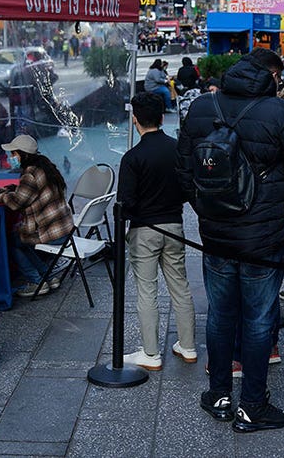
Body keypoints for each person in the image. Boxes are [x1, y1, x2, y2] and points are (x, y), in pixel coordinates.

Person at [176, 48, 284, 432]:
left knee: (220, 315)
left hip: (216, 234)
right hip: (263, 236)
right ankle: (253, 405)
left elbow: (184, 171)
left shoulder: (202, 107)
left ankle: (219, 395)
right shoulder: (278, 111)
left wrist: (208, 209)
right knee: (258, 319)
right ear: (269, 77)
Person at [119, 93, 196, 371]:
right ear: (162, 118)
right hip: (174, 225)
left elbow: (127, 203)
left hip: (144, 230)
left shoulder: (132, 157)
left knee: (147, 291)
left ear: (135, 119)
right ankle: (187, 346)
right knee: (180, 287)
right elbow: (188, 189)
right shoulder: (177, 149)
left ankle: (151, 353)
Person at [0, 135, 75, 298]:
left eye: (14, 154)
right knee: (21, 240)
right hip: (64, 228)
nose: (11, 158)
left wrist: (1, 194)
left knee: (13, 241)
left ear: (23, 154)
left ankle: (37, 281)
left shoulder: (30, 174)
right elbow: (30, 194)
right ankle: (47, 276)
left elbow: (16, 203)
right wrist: (14, 189)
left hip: (51, 232)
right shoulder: (45, 166)